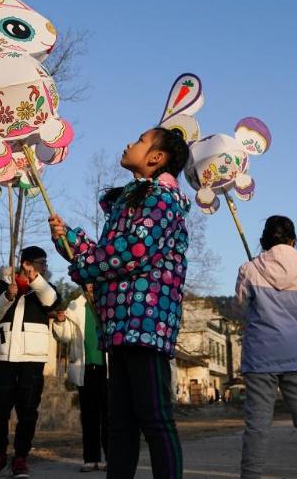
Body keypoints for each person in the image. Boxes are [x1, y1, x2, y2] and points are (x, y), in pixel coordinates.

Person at [48, 127, 191, 479]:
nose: (129, 143)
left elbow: (133, 252)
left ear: (157, 158)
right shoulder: (134, 200)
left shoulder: (163, 198)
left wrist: (84, 265)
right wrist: (69, 238)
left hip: (147, 321)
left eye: (141, 141)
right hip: (121, 324)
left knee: (155, 418)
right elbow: (106, 255)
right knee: (121, 423)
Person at [234, 216, 297, 479]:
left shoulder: (249, 269)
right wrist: (295, 327)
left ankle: (251, 475)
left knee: (257, 424)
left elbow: (241, 307)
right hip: (293, 353)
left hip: (259, 356)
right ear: (293, 241)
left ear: (264, 241)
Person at [0, 246, 59, 478]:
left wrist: (36, 280)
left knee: (28, 411)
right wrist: (7, 296)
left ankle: (20, 458)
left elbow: (52, 302)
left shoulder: (45, 288)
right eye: (41, 263)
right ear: (27, 263)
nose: (45, 267)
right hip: (4, 356)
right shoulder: (2, 286)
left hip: (31, 358)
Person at [52, 286, 108, 472]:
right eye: (87, 284)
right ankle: (90, 458)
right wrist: (60, 322)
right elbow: (65, 336)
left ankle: (110, 457)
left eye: (93, 283)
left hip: (108, 369)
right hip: (85, 369)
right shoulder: (74, 307)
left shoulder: (108, 303)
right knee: (89, 416)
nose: (90, 287)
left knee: (109, 416)